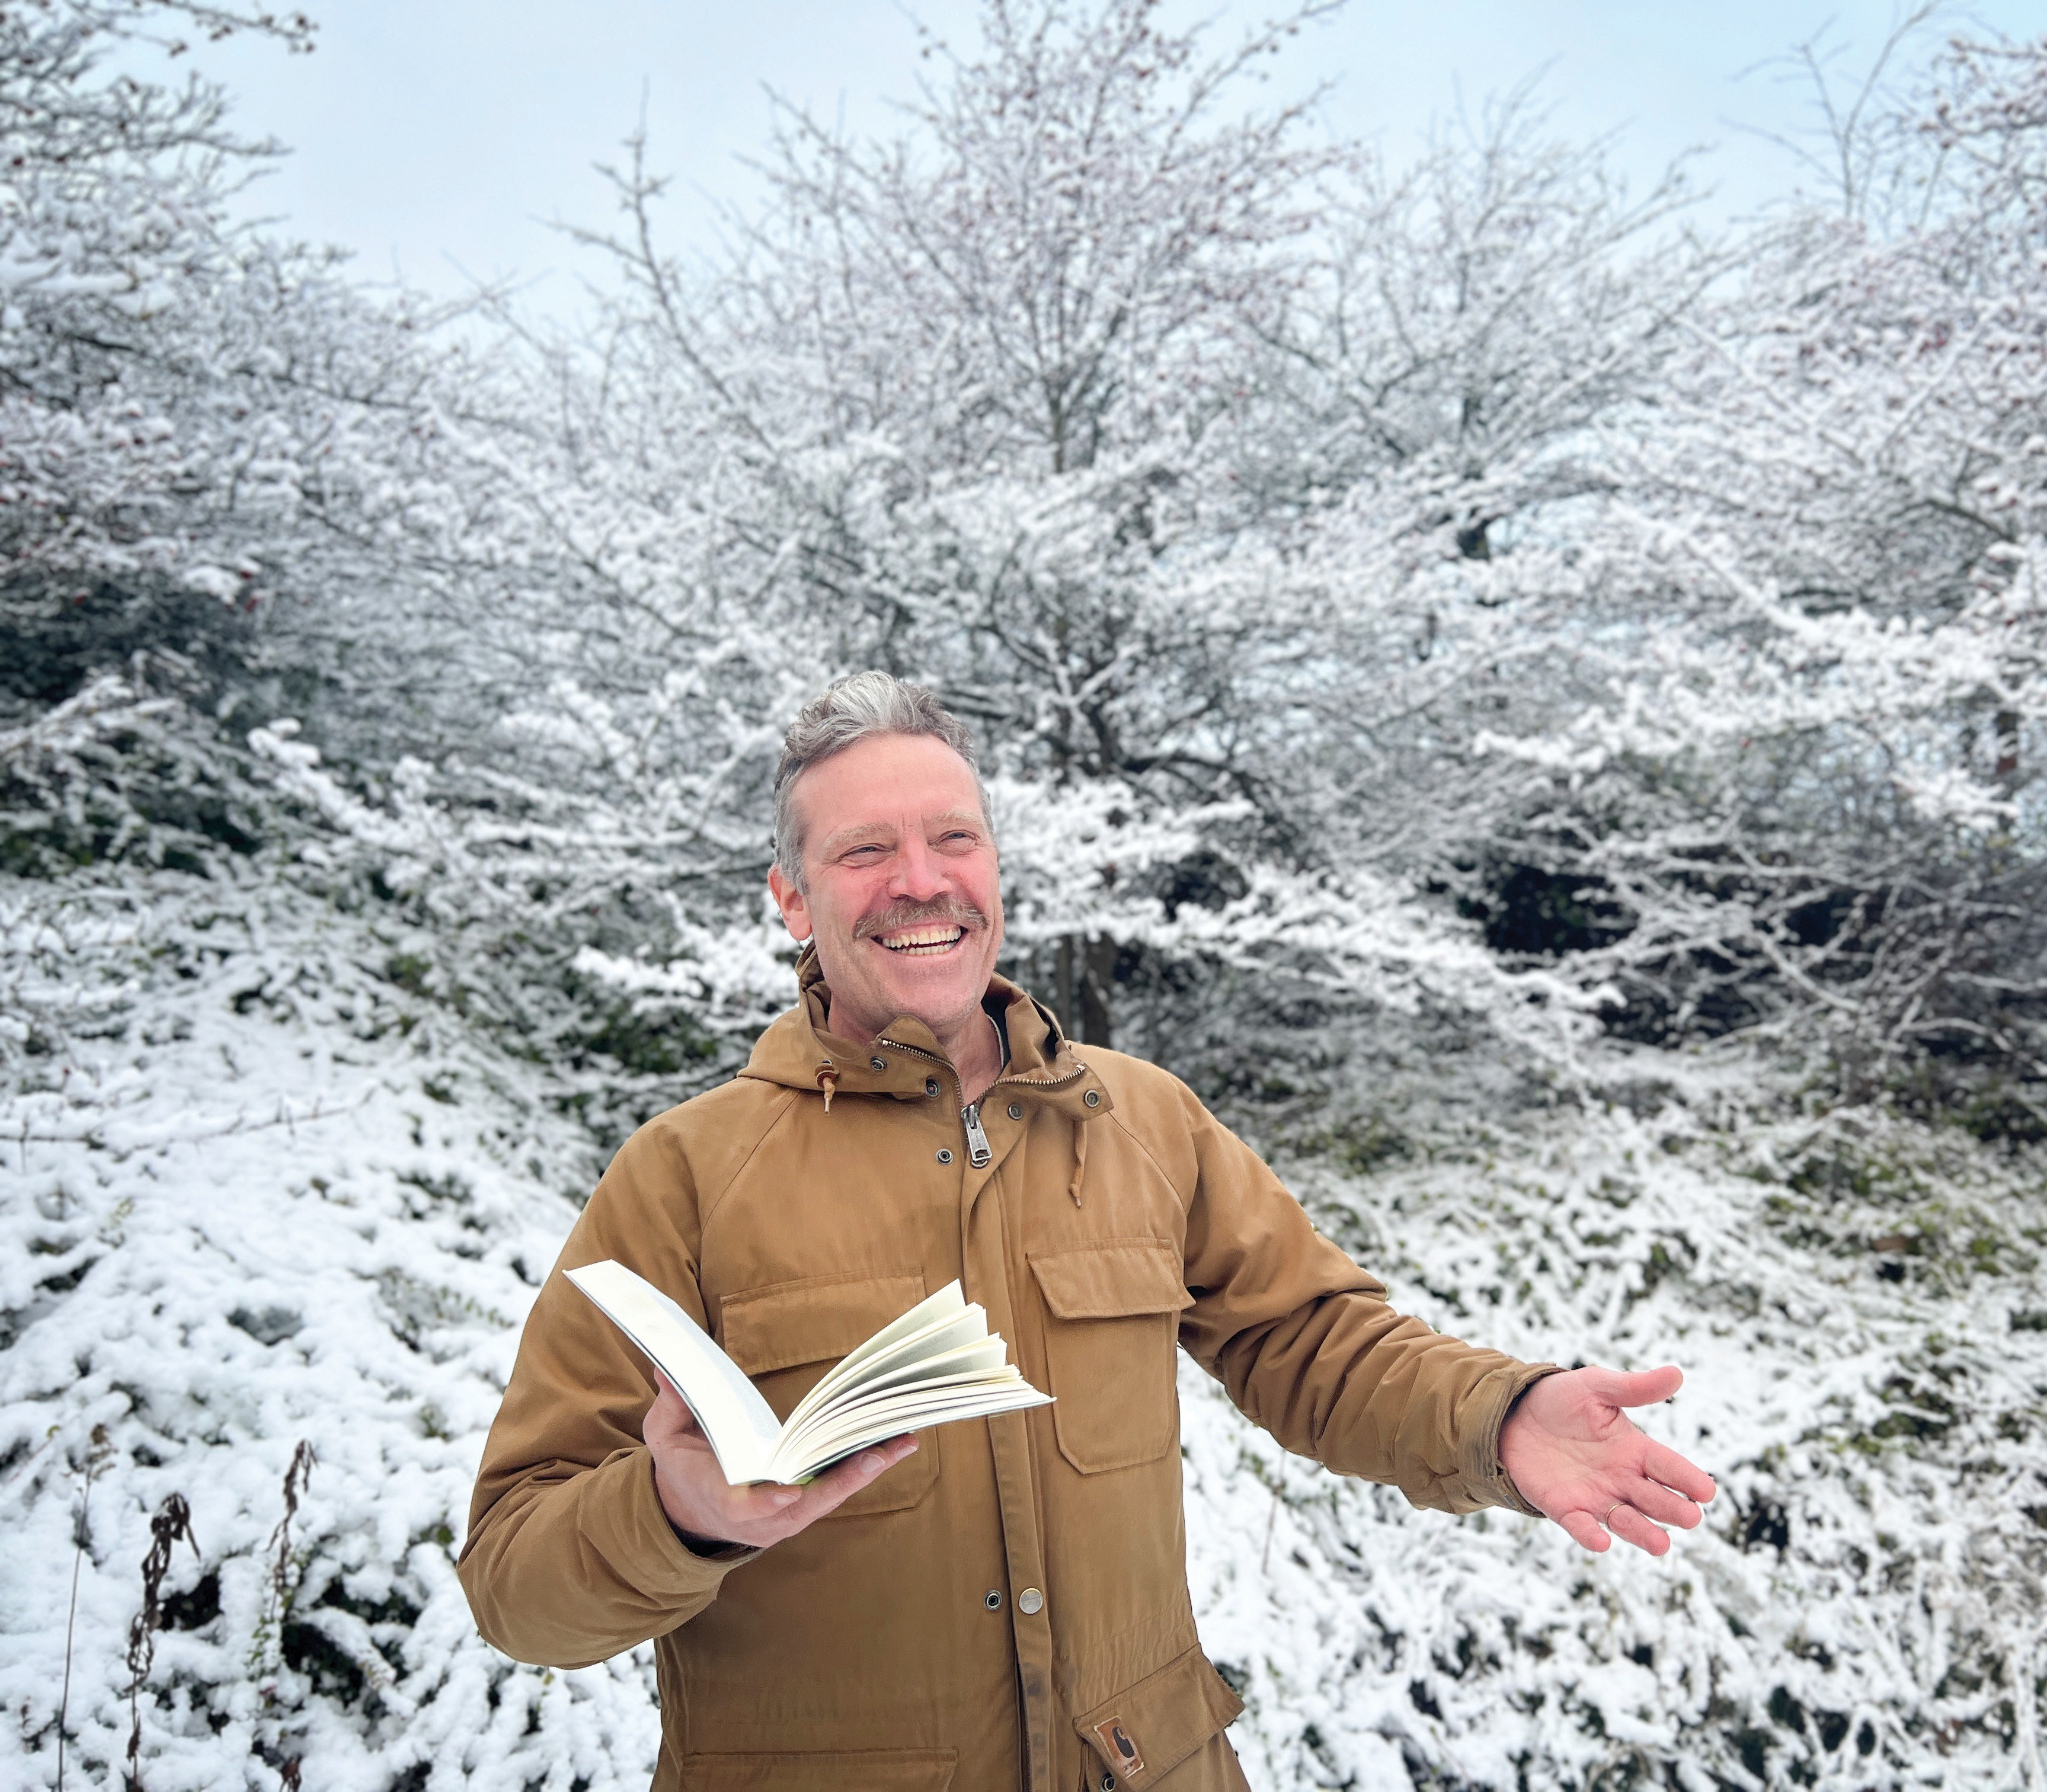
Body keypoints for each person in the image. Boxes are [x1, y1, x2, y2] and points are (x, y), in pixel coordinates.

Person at [460, 672, 1716, 1792]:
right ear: (791, 898)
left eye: (955, 837)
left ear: (995, 869)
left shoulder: (1145, 1122)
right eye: (863, 852)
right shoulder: (684, 1176)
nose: (920, 880)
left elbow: (1312, 1342)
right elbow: (517, 1579)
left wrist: (1495, 1414)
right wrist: (676, 1518)